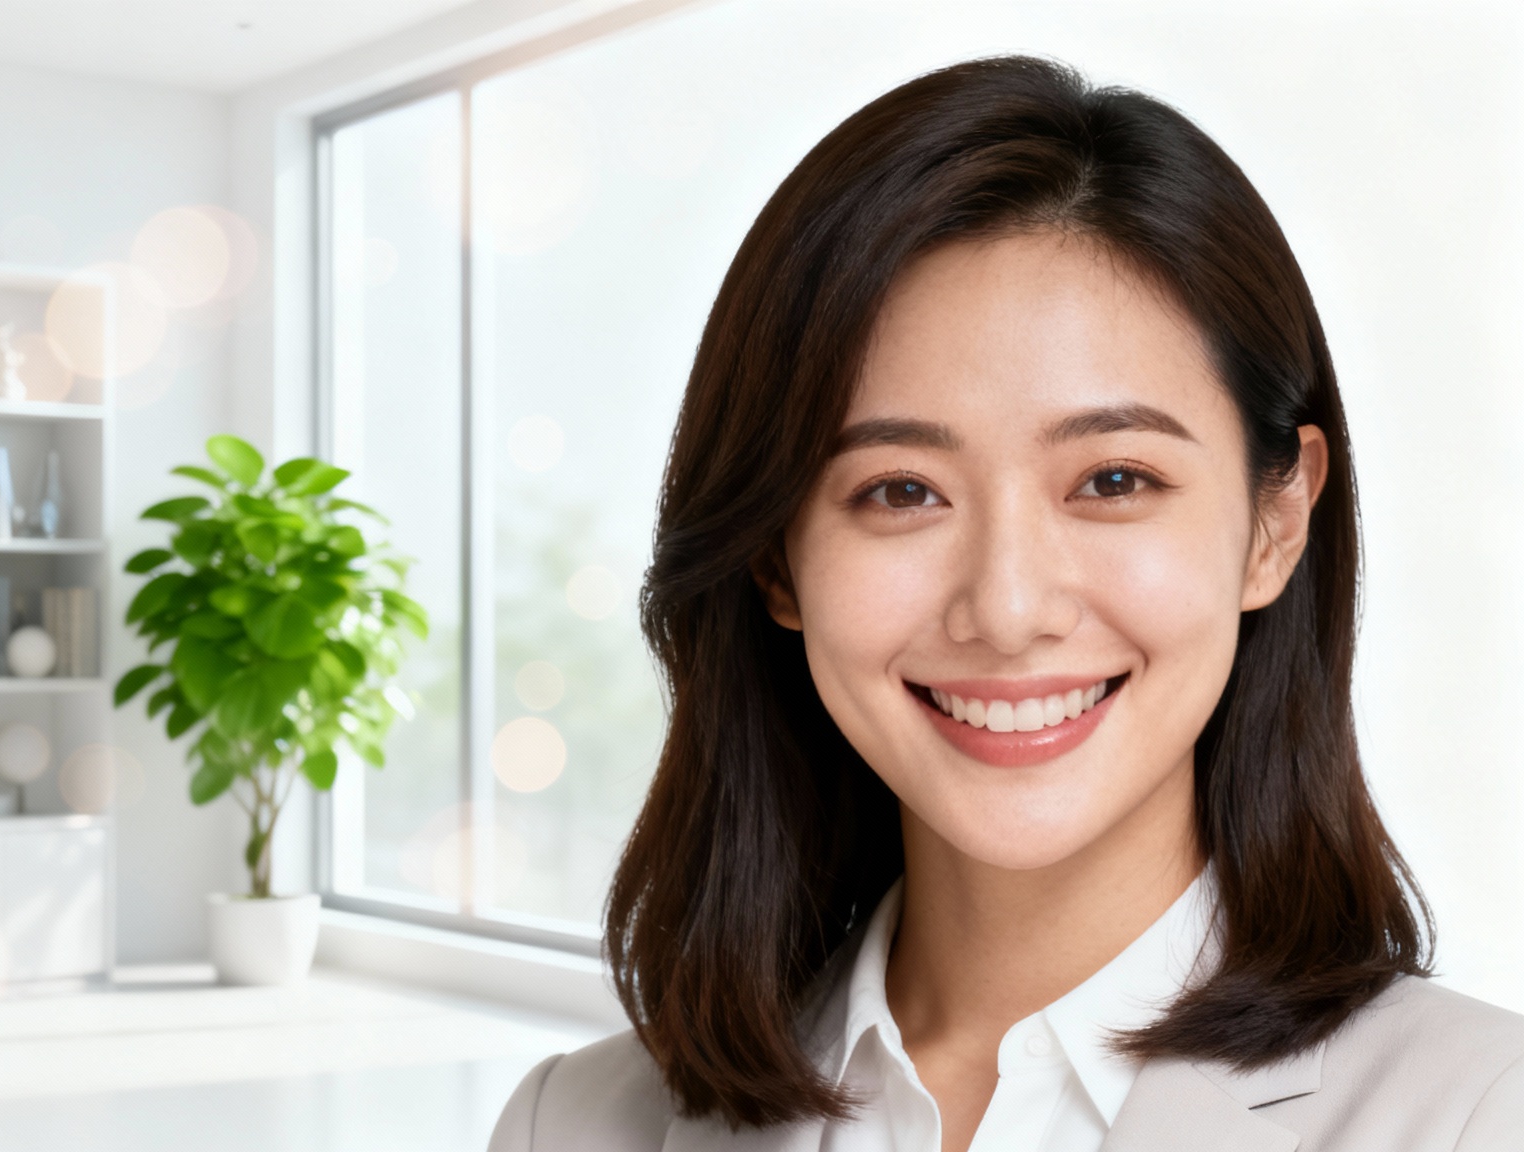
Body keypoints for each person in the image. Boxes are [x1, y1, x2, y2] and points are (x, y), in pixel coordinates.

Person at [489, 56, 1524, 1152]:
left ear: (1275, 522)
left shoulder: (1479, 1115)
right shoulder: (571, 1125)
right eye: (899, 491)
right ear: (774, 561)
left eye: (1113, 480)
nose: (1009, 607)